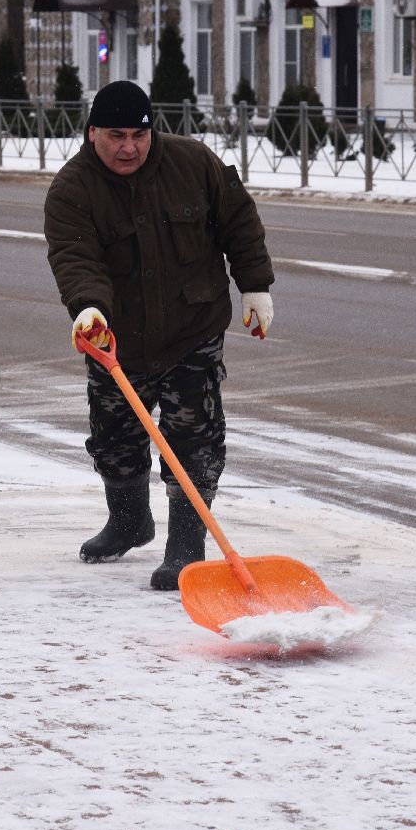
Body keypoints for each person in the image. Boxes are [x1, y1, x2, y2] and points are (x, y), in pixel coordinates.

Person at [43, 79, 275, 590]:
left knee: (194, 438)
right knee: (115, 439)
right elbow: (75, 258)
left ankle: (186, 546)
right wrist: (88, 311)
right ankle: (129, 521)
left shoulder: (193, 163)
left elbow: (240, 221)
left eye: (138, 135)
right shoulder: (72, 189)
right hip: (115, 339)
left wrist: (255, 288)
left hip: (192, 327)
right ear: (92, 133)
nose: (129, 147)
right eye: (116, 136)